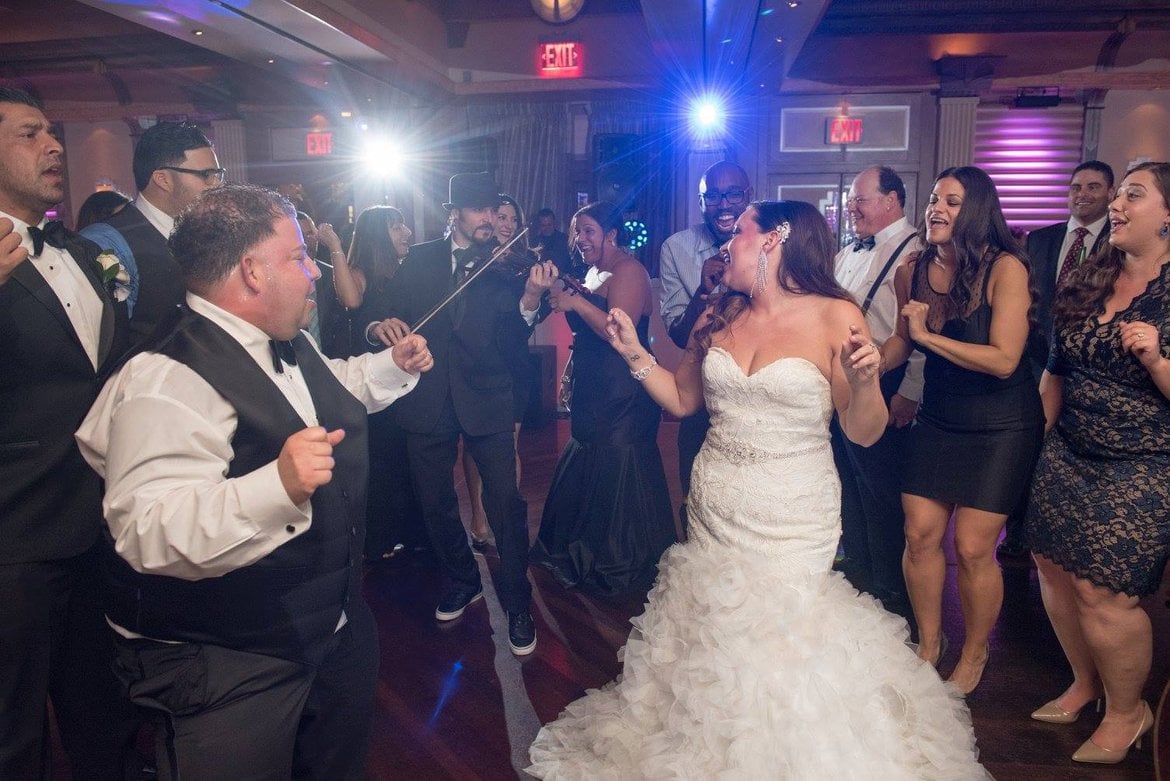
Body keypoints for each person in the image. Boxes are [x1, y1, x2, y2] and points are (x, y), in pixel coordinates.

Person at [529, 200, 987, 778]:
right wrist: (634, 352)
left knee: (781, 637)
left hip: (793, 510)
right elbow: (684, 400)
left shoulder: (835, 315)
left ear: (775, 238)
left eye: (741, 233)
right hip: (716, 504)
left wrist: (868, 383)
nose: (727, 246)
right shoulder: (720, 313)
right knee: (717, 635)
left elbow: (862, 431)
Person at [75, 183, 433, 779]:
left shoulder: (285, 341)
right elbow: (147, 529)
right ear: (251, 272)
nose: (315, 272)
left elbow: (327, 388)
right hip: (229, 661)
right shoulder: (167, 378)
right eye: (298, 256)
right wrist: (279, 486)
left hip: (330, 626)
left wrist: (387, 369)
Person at [0, 86, 138, 779]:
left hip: (99, 526)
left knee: (101, 710)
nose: (55, 145)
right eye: (30, 134)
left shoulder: (84, 254)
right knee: (14, 732)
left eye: (53, 131)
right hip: (16, 542)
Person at [1024, 161, 1170, 765]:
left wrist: (1158, 361)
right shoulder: (1089, 276)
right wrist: (1036, 442)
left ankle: (1127, 711)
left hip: (1142, 461)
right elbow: (1055, 370)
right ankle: (1086, 681)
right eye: (1118, 195)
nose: (1116, 204)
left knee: (1104, 591)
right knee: (1053, 568)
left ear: (1167, 215)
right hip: (1067, 452)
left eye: (1133, 195)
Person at [880, 165, 1043, 694]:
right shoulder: (912, 269)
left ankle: (974, 652)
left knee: (974, 548)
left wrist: (928, 335)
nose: (936, 209)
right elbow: (902, 346)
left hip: (1001, 425)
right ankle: (930, 643)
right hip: (940, 419)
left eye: (951, 201)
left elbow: (1003, 359)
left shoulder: (1006, 269)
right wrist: (858, 363)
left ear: (975, 211)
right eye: (933, 199)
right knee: (919, 534)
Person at [380, 172, 555, 655]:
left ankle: (518, 601)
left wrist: (532, 299)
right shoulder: (419, 259)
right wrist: (381, 324)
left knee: (505, 502)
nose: (489, 220)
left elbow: (515, 333)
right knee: (434, 500)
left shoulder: (505, 265)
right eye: (478, 211)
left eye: (492, 211)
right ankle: (463, 578)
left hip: (488, 397)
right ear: (453, 213)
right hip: (427, 397)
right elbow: (384, 309)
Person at [531, 201, 676, 596]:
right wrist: (570, 367)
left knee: (616, 457)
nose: (580, 240)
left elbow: (618, 333)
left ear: (611, 234)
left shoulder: (631, 270)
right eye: (578, 232)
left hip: (623, 387)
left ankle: (614, 559)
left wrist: (576, 301)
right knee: (589, 452)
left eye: (589, 231)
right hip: (594, 383)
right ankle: (583, 549)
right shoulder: (595, 272)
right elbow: (586, 337)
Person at [998, 160, 1116, 559]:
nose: (1083, 194)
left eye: (1094, 187)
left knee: (1070, 447)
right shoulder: (1040, 240)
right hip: (1032, 359)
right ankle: (1018, 533)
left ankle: (1070, 534)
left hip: (1086, 365)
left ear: (1110, 194)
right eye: (1076, 186)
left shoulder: (1117, 244)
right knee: (1026, 444)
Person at [831, 165, 923, 624]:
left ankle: (890, 589)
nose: (852, 207)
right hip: (843, 377)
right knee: (848, 479)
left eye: (860, 199)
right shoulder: (846, 250)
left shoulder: (915, 251)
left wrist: (910, 390)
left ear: (892, 201)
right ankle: (859, 572)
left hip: (888, 377)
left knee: (882, 490)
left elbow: (920, 332)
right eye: (851, 200)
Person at [658, 160, 753, 528]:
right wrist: (703, 291)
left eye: (732, 194)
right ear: (700, 202)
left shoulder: (770, 242)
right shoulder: (676, 248)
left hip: (754, 390)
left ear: (748, 196)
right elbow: (680, 336)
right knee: (696, 495)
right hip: (703, 390)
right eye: (712, 196)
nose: (723, 204)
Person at [335, 205, 427, 561]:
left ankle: (413, 533)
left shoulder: (409, 271)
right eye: (396, 226)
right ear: (377, 234)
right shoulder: (361, 273)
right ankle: (384, 536)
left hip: (412, 378)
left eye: (404, 223)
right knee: (385, 461)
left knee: (410, 461)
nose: (406, 231)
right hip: (375, 383)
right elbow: (352, 304)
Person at [80, 121, 223, 344]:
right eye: (206, 175)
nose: (216, 185)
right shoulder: (108, 245)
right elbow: (105, 340)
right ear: (162, 179)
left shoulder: (211, 233)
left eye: (218, 174)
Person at [462, 193, 535, 550]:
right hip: (474, 363)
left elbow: (531, 318)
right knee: (474, 445)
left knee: (508, 444)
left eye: (511, 219)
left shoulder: (527, 264)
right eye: (500, 216)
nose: (505, 224)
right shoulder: (473, 260)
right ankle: (477, 517)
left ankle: (505, 519)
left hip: (514, 364)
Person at [295, 210, 340, 354]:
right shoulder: (282, 278)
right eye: (299, 235)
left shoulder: (332, 274)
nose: (305, 242)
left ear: (317, 235)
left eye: (309, 234)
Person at [532, 206, 572, 274]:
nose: (547, 228)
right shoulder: (534, 241)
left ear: (554, 222)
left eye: (549, 224)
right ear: (539, 225)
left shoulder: (565, 239)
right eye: (543, 225)